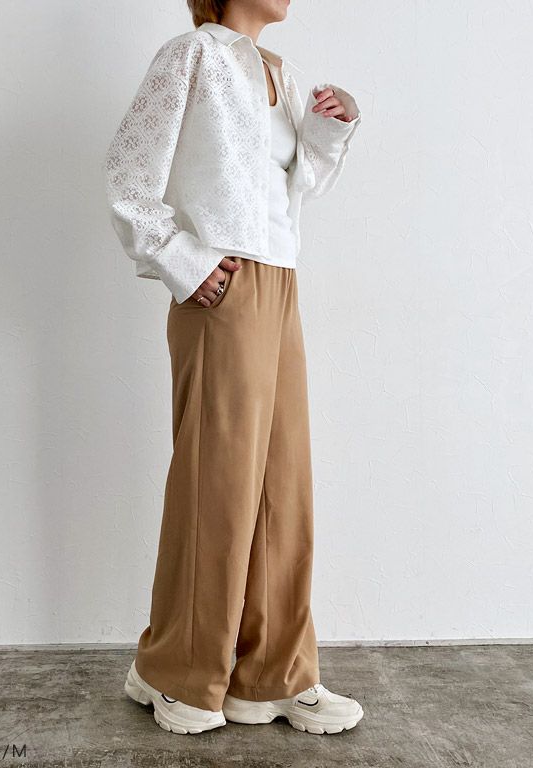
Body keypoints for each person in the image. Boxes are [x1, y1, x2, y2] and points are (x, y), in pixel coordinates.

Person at [104, 0, 364, 735]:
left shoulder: (282, 72)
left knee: (284, 486)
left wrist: (330, 130)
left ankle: (271, 675)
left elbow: (295, 188)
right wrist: (183, 261)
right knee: (215, 484)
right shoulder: (192, 55)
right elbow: (128, 173)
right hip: (222, 284)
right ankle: (175, 671)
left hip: (279, 280)